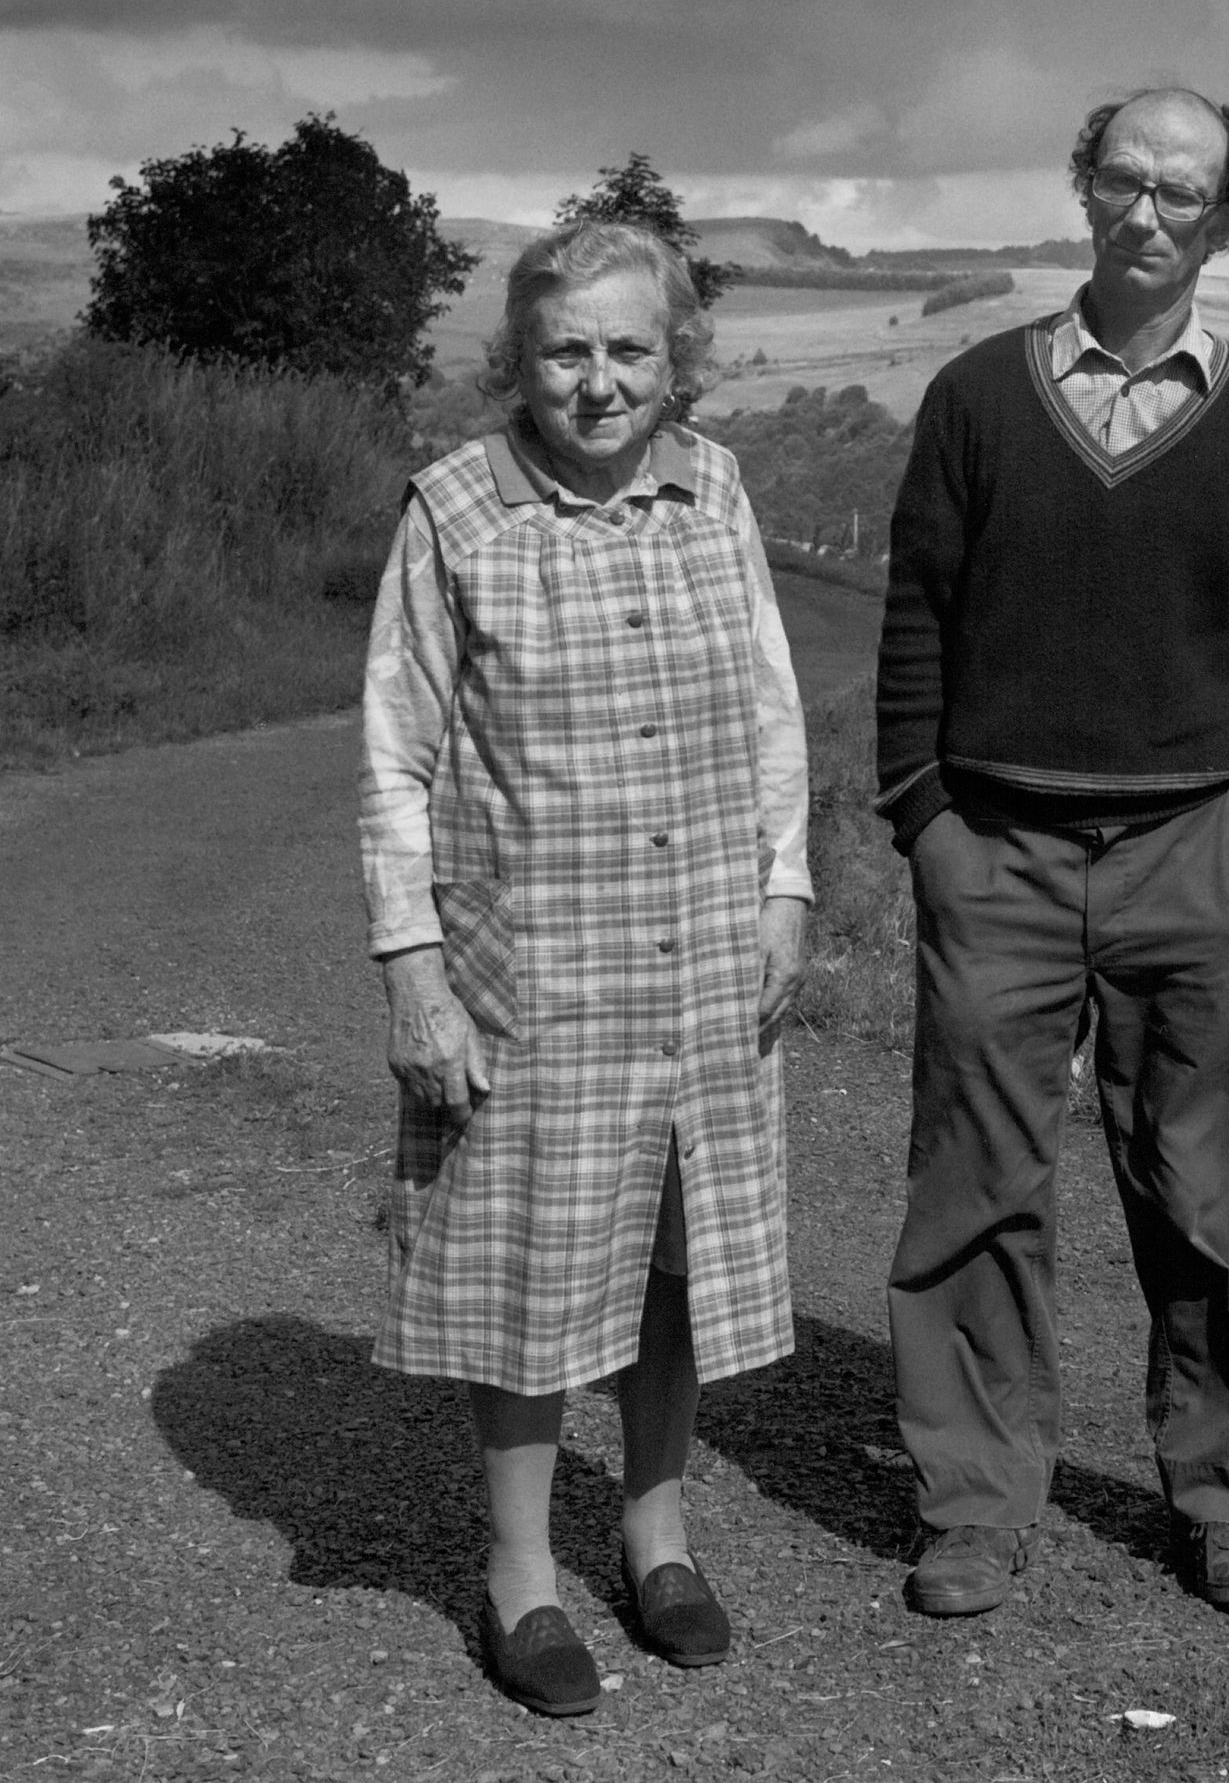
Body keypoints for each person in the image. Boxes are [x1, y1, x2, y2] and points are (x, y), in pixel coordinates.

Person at [874, 87, 1229, 1617]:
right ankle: (973, 1501)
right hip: (994, 851)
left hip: (1198, 854)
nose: (1147, 212)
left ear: (1222, 218)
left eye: (1180, 191)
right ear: (1084, 189)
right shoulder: (976, 397)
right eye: (1123, 179)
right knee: (973, 1188)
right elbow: (917, 617)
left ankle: (1226, 1498)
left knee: (1208, 1193)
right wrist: (926, 822)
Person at [359, 221, 811, 1714]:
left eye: (630, 349)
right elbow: (395, 758)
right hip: (537, 965)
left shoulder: (715, 489)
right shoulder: (456, 510)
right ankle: (521, 1572)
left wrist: (785, 889)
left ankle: (657, 1537)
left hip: (701, 948)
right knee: (536, 1264)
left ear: (677, 358)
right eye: (567, 351)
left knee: (676, 1256)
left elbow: (770, 710)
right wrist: (413, 966)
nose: (599, 381)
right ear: (520, 359)